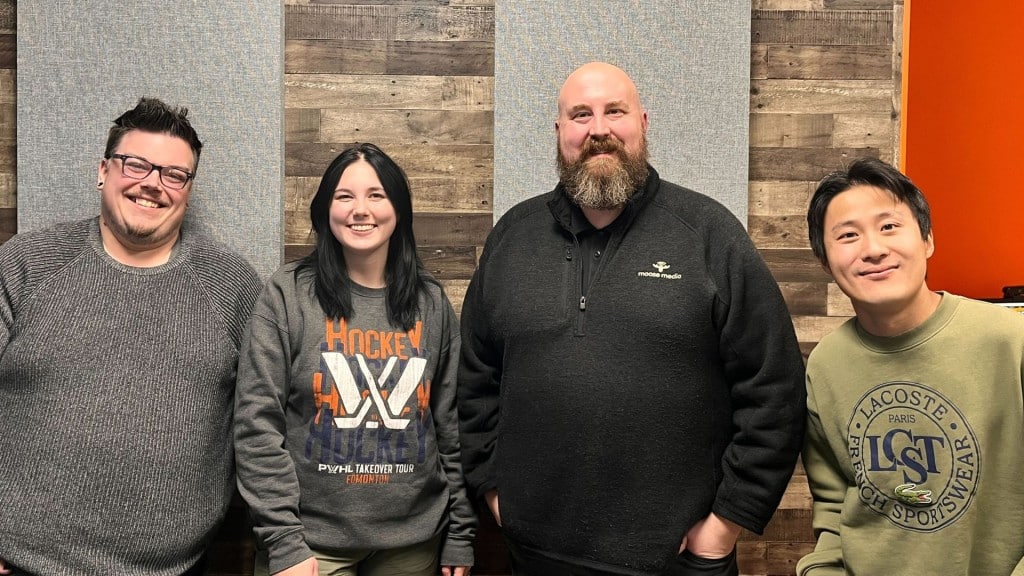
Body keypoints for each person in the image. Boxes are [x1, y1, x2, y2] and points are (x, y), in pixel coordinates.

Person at [458, 61, 806, 576]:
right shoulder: (513, 236)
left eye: (614, 111)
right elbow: (474, 380)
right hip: (535, 556)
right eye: (581, 115)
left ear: (643, 122)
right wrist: (493, 493)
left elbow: (774, 386)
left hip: (676, 561)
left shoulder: (708, 234)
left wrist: (725, 524)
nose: (598, 129)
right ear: (560, 133)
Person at [0, 98, 262, 575]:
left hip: (175, 569)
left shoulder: (232, 286)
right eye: (136, 164)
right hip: (23, 564)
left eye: (173, 174)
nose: (152, 184)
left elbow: (262, 421)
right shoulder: (26, 263)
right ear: (103, 170)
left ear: (187, 188)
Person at [233, 143, 475, 576]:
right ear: (326, 208)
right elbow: (256, 425)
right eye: (344, 196)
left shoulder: (432, 302)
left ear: (398, 209)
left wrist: (461, 531)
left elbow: (448, 427)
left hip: (413, 541)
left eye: (376, 195)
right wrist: (284, 541)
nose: (360, 210)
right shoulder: (286, 296)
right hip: (310, 545)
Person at [797, 157, 1024, 576]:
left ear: (927, 240)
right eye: (848, 236)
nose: (874, 249)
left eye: (889, 227)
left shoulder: (1010, 339)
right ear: (826, 263)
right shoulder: (826, 364)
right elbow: (832, 506)